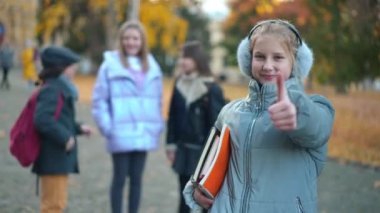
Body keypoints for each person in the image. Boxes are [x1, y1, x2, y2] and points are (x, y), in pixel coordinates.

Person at [183, 19, 335, 213]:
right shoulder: (230, 112)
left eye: (278, 57)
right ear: (248, 60)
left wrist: (297, 112)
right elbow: (210, 163)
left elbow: (316, 129)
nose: (268, 65)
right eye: (260, 56)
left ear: (294, 62)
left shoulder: (316, 108)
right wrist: (197, 188)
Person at [91, 20, 164, 213]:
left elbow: (157, 100)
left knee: (137, 180)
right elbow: (99, 101)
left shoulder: (152, 65)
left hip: (143, 132)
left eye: (135, 38)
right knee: (120, 178)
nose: (131, 42)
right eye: (126, 38)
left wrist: (155, 126)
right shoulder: (110, 65)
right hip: (120, 132)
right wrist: (109, 128)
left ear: (142, 41)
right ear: (121, 41)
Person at [165, 41, 225, 213]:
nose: (183, 61)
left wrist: (212, 159)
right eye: (181, 57)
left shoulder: (211, 88)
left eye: (187, 57)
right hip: (183, 150)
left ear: (197, 59)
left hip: (203, 154)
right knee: (184, 198)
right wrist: (170, 144)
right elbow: (172, 117)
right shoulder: (178, 84)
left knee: (205, 201)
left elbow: (217, 127)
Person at [33, 46, 94, 213]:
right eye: (71, 66)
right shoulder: (53, 89)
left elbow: (60, 118)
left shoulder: (58, 87)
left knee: (57, 204)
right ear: (61, 68)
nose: (75, 69)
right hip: (53, 157)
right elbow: (42, 119)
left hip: (57, 158)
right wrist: (65, 137)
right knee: (53, 206)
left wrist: (79, 128)